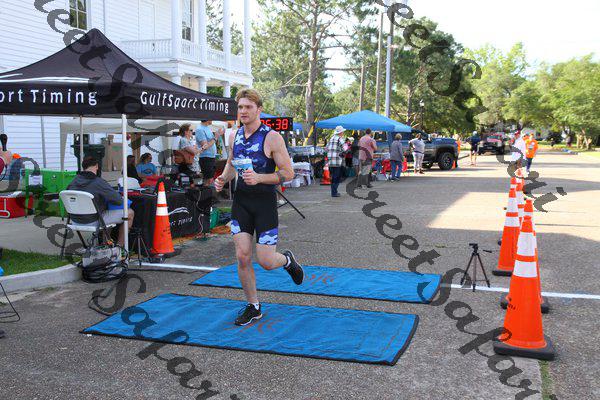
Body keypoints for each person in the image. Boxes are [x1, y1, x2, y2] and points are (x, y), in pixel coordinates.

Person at [214, 89, 304, 326]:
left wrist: (260, 178)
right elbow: (232, 164)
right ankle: (253, 306)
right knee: (242, 256)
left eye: (248, 107)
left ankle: (287, 261)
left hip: (264, 204)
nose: (243, 111)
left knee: (265, 261)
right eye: (240, 107)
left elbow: (288, 173)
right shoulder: (234, 135)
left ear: (259, 110)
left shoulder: (272, 137)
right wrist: (222, 178)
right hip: (241, 203)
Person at [67, 157, 134, 246]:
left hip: (75, 220)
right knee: (129, 213)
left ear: (83, 167)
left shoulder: (73, 181)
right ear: (97, 166)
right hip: (93, 220)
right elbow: (118, 201)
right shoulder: (98, 182)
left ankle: (105, 244)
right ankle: (120, 247)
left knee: (105, 213)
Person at [195, 120, 223, 186]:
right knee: (208, 180)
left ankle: (207, 191)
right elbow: (205, 146)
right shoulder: (200, 129)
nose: (212, 120)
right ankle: (205, 191)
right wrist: (216, 137)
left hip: (211, 157)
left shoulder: (207, 128)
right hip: (206, 157)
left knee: (210, 179)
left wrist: (217, 136)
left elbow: (211, 142)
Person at [326, 125, 346, 197]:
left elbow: (326, 148)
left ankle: (334, 191)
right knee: (337, 176)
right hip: (337, 160)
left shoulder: (331, 138)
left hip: (330, 160)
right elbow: (345, 148)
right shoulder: (340, 139)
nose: (343, 133)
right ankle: (334, 192)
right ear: (340, 133)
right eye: (342, 132)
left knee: (333, 176)